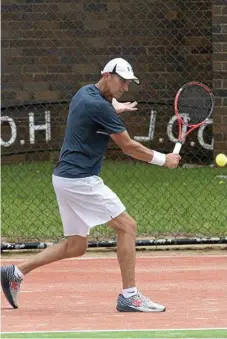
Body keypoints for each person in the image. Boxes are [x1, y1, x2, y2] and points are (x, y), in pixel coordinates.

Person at [1, 57, 180, 312]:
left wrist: (116, 107)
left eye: (129, 83)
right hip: (80, 181)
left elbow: (100, 107)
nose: (126, 87)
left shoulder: (84, 93)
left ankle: (15, 272)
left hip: (63, 178)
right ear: (107, 75)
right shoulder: (101, 108)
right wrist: (165, 160)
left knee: (76, 246)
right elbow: (129, 147)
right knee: (128, 227)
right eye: (122, 81)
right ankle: (130, 296)